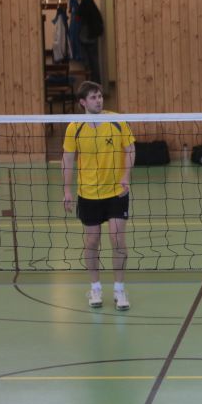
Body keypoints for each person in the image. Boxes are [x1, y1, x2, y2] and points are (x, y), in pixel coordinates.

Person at [62, 80, 135, 310]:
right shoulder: (74, 127)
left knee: (117, 239)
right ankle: (95, 288)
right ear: (83, 102)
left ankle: (119, 290)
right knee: (92, 241)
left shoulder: (117, 121)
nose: (99, 100)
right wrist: (66, 189)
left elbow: (130, 149)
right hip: (88, 193)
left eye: (100, 96)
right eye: (93, 97)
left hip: (116, 191)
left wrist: (126, 176)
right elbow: (67, 159)